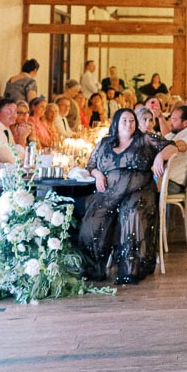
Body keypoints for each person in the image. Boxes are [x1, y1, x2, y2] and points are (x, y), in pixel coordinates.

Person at [78, 109, 160, 285]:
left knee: (131, 213)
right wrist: (98, 174)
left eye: (132, 120)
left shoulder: (144, 139)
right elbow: (91, 164)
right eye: (124, 120)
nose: (129, 124)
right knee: (93, 217)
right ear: (116, 123)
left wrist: (160, 156)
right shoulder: (105, 142)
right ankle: (93, 268)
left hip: (139, 190)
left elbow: (174, 145)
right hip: (111, 192)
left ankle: (131, 268)